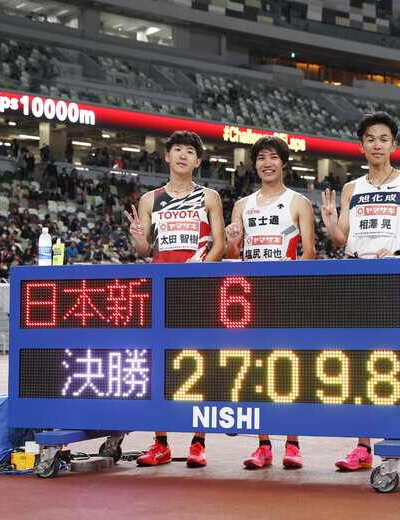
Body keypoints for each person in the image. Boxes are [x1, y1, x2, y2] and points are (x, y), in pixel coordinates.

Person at [320, 111, 400, 470]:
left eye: (384, 138)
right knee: (359, 364)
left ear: (393, 145)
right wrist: (333, 225)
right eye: (370, 138)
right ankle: (364, 447)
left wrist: (397, 256)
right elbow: (342, 241)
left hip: (395, 281)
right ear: (362, 146)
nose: (377, 144)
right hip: (356, 279)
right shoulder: (352, 189)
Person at [124, 130, 225, 468]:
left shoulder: (209, 197)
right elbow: (144, 249)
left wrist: (198, 278)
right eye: (176, 150)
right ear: (166, 156)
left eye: (190, 151)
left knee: (200, 365)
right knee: (160, 367)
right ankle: (161, 443)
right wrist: (139, 237)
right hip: (161, 291)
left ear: (198, 161)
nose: (183, 155)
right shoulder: (150, 200)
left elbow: (220, 246)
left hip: (197, 290)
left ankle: (198, 443)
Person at [225, 135, 315, 469]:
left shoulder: (299, 203)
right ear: (255, 165)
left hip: (286, 296)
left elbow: (309, 254)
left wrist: (291, 286)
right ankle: (263, 446)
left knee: (288, 370)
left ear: (284, 163)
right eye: (261, 157)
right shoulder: (241, 206)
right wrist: (233, 245)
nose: (267, 163)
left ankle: (293, 444)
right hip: (250, 298)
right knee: (256, 371)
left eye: (273, 157)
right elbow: (234, 255)